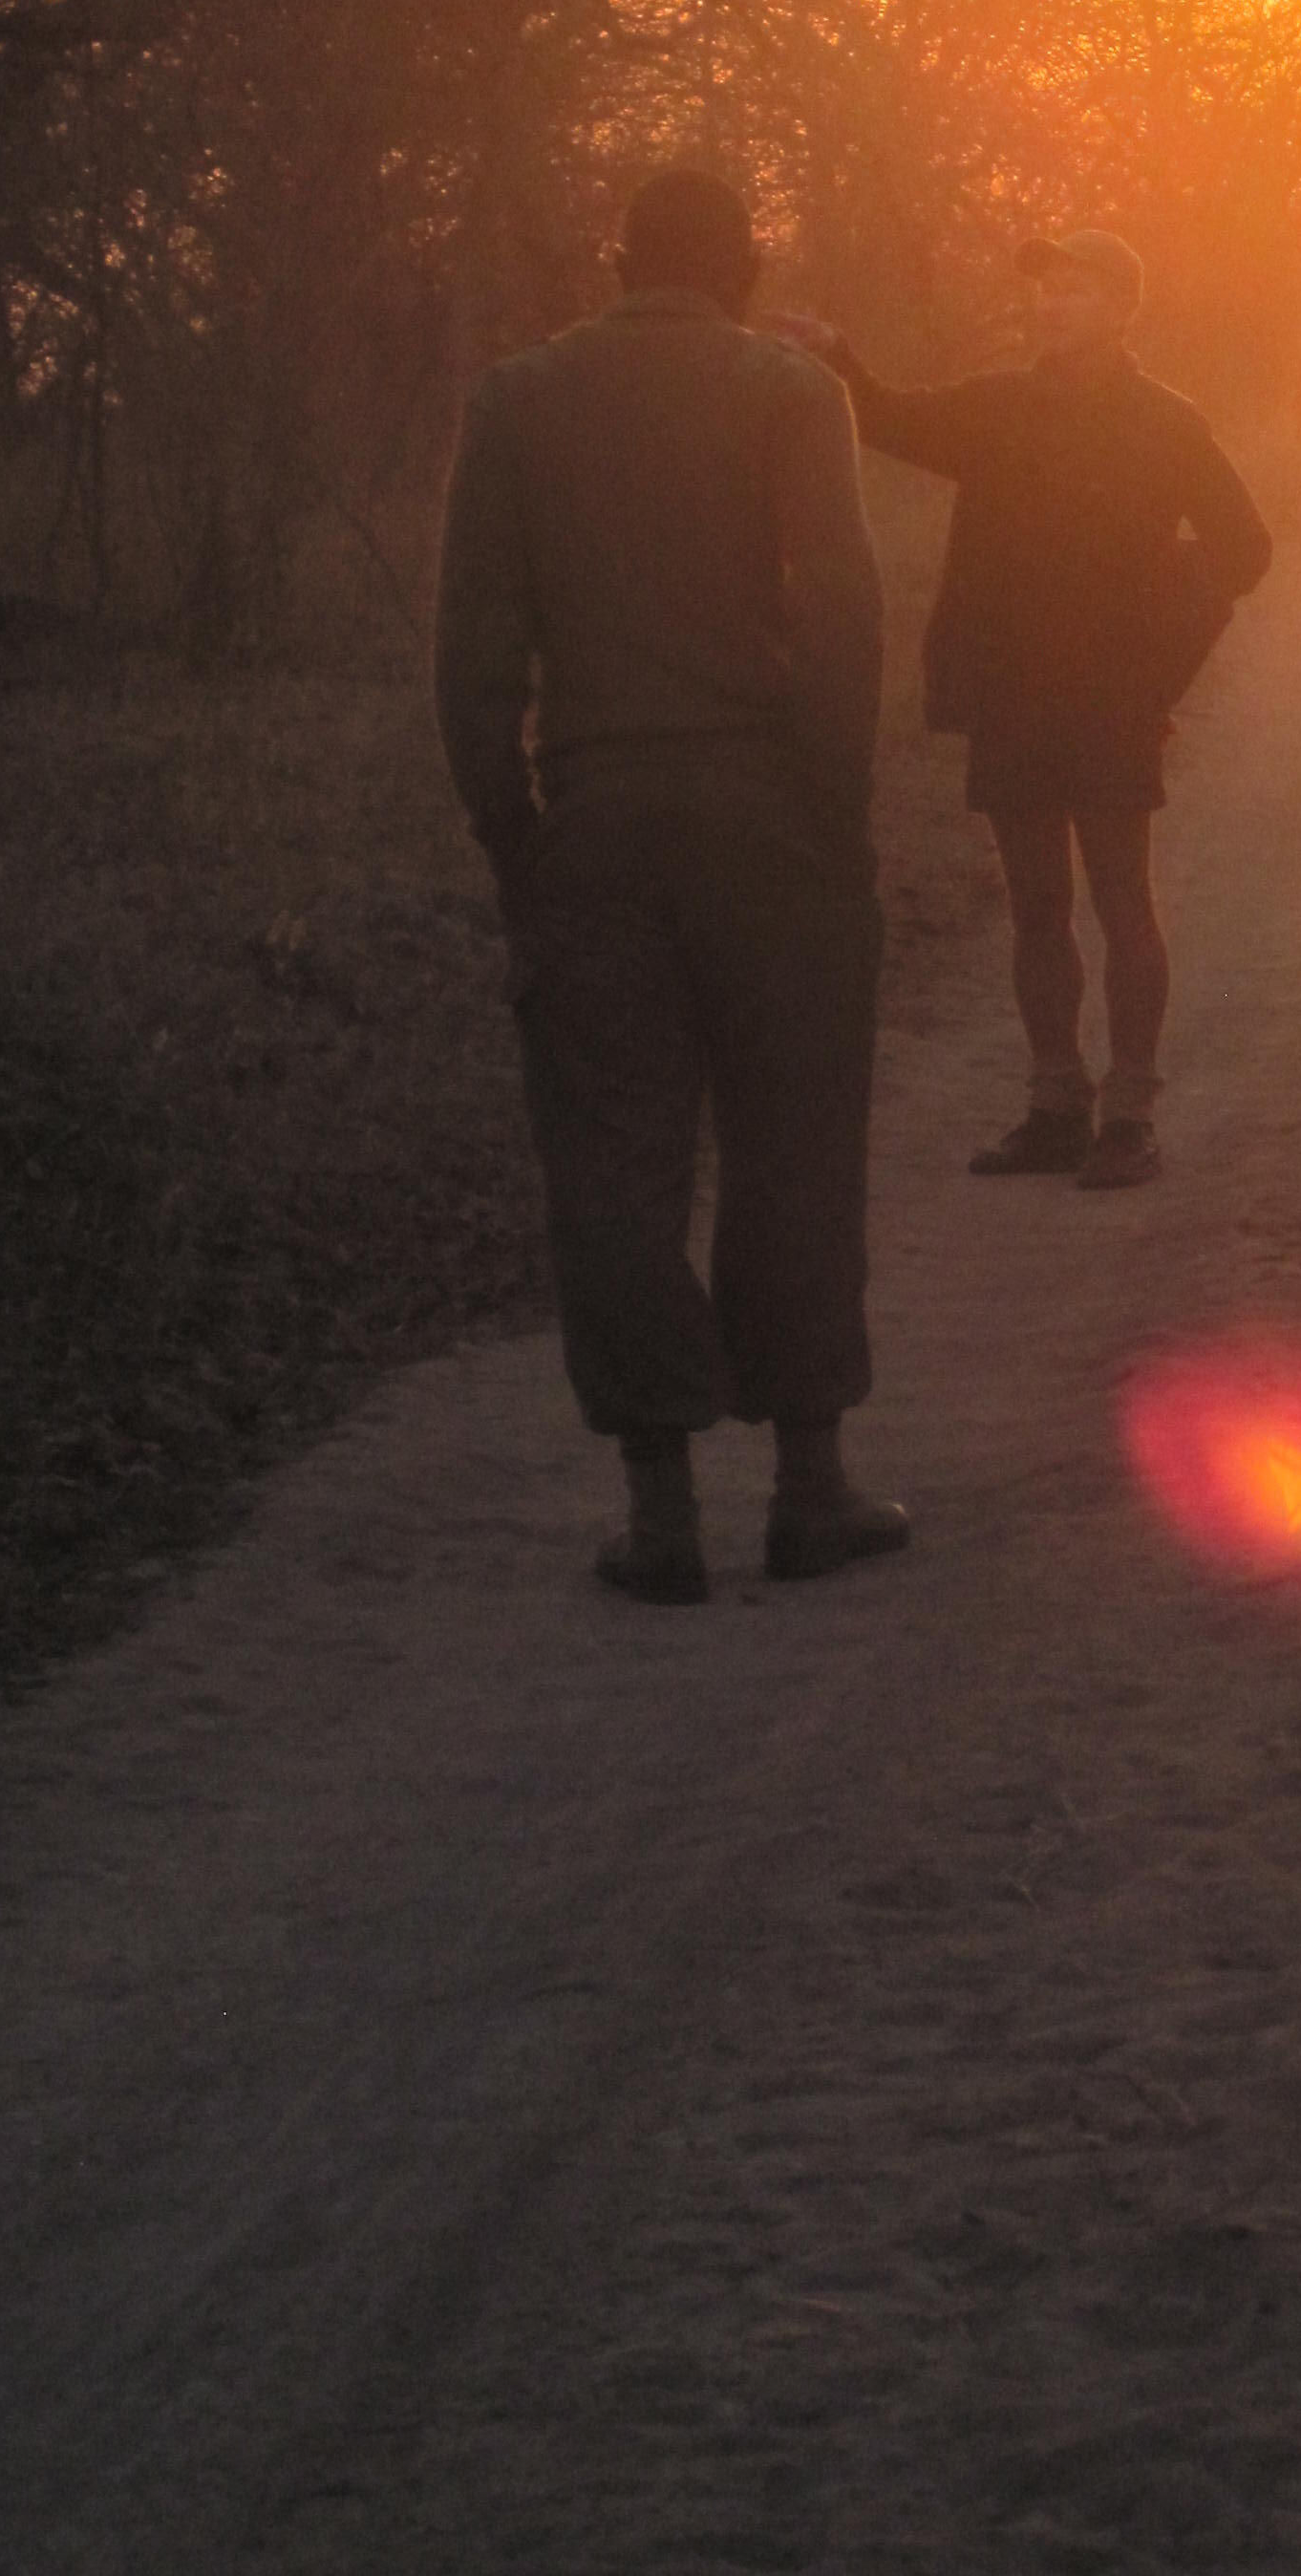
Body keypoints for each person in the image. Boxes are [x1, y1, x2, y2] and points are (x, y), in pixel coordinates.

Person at [433, 167, 908, 1602]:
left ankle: (662, 1518)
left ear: (617, 260)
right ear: (745, 267)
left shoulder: (515, 404)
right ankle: (810, 1491)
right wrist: (832, 806)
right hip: (769, 819)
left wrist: (520, 840)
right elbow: (843, 612)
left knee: (614, 1166)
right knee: (795, 1142)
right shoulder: (787, 392)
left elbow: (471, 669)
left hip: (596, 823)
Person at [789, 230, 1270, 1191]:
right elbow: (886, 419)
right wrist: (838, 356)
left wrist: (1155, 657)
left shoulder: (1165, 421)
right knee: (1037, 905)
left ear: (1123, 308)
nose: (1052, 304)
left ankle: (1129, 1114)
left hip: (1108, 706)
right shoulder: (996, 405)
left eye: (1078, 290)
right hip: (1010, 693)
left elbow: (1245, 549)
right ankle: (1057, 1104)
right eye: (1046, 289)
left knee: (1122, 898)